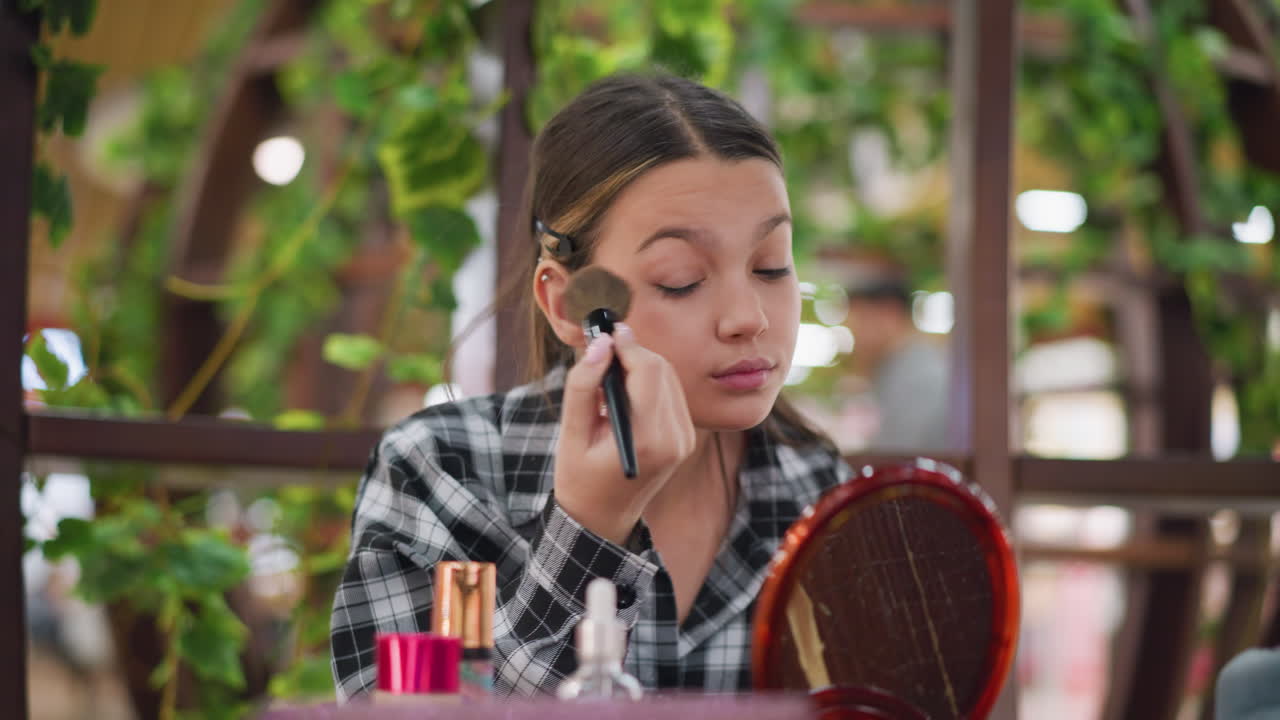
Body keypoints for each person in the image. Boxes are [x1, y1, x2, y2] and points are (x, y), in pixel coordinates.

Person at [329, 73, 849, 700]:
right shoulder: (444, 472)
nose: (750, 318)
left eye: (772, 265)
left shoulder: (816, 493)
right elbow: (419, 714)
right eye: (680, 278)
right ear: (569, 304)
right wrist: (589, 529)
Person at [838, 265, 948, 451]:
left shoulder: (918, 375)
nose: (854, 332)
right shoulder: (903, 365)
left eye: (860, 318)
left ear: (890, 313)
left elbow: (896, 454)